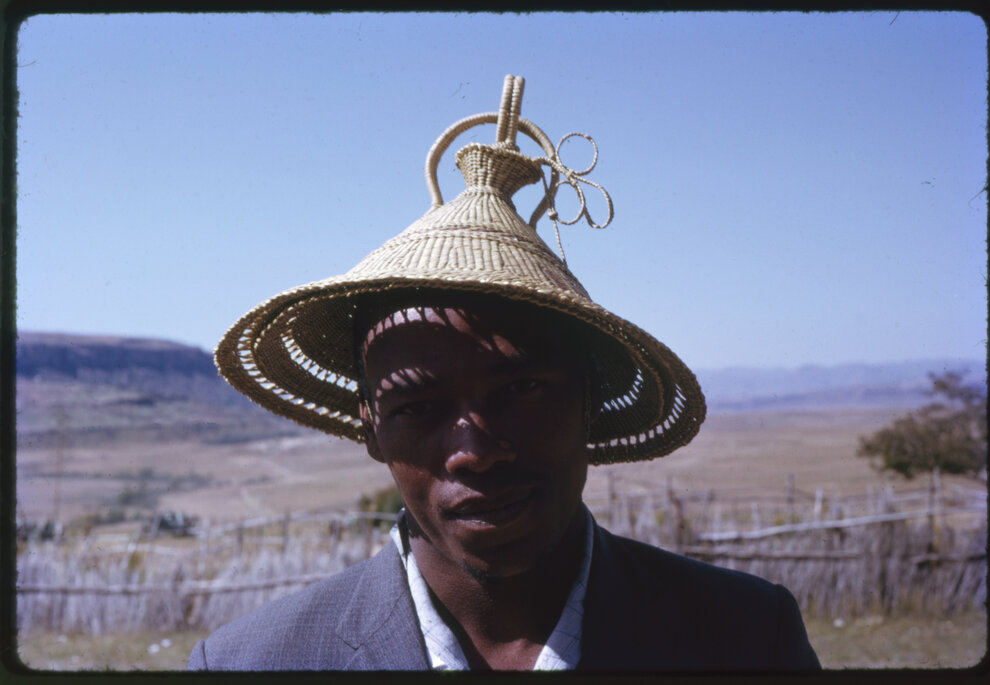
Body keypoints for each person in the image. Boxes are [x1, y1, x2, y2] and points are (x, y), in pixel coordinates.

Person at [188, 76, 820, 671]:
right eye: (418, 407)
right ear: (371, 429)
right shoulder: (258, 662)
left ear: (590, 401)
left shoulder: (747, 638)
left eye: (521, 390)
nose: (475, 452)